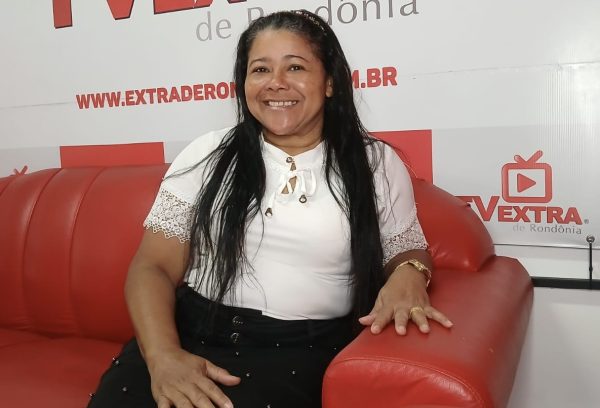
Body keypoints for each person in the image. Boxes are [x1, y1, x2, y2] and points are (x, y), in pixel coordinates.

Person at [88, 9, 452, 408]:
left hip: (298, 353)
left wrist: (409, 274)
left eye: (295, 67)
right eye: (260, 69)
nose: (276, 83)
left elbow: (406, 248)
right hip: (188, 332)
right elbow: (152, 266)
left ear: (330, 82)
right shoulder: (207, 153)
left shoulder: (374, 163)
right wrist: (163, 358)